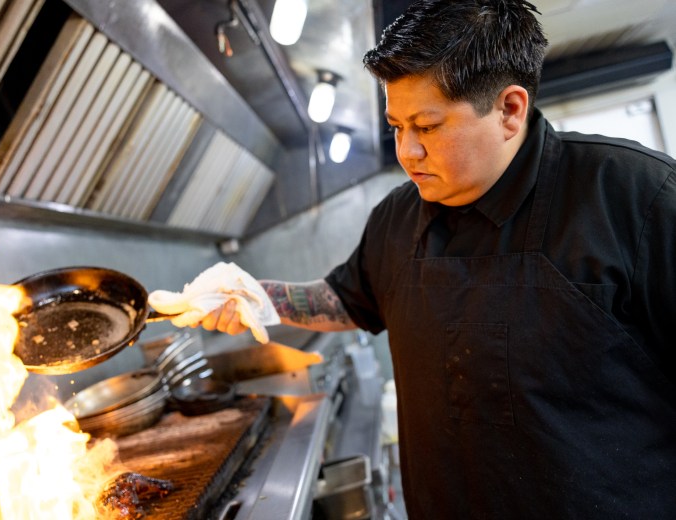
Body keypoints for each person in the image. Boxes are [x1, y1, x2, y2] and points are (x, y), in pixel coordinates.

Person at [192, 0, 676, 517]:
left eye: (427, 125)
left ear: (509, 110)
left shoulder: (635, 198)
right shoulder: (397, 217)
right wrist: (259, 297)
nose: (407, 153)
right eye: (396, 126)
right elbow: (349, 298)